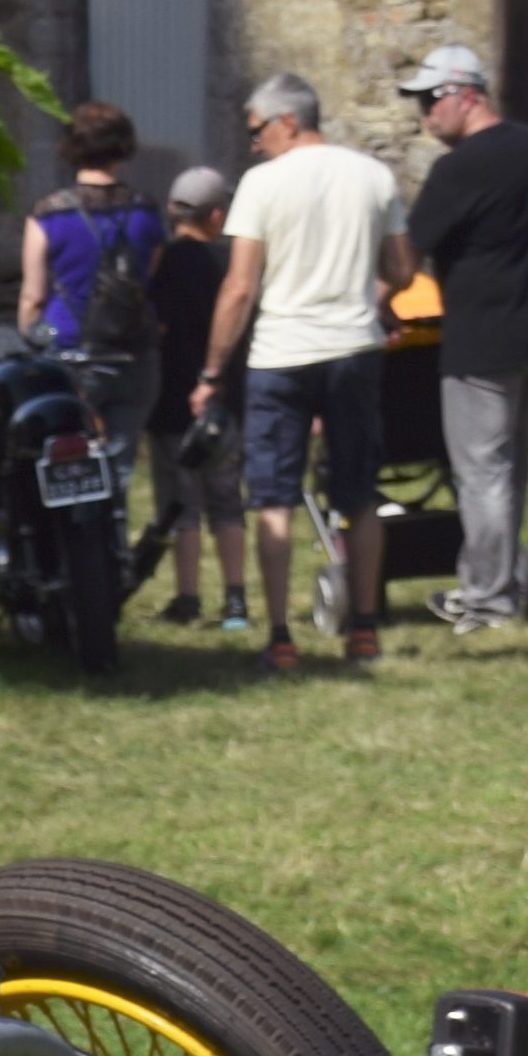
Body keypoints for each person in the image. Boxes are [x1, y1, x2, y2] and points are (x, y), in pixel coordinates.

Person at [198, 72, 412, 675]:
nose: (253, 144)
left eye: (256, 130)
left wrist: (212, 369)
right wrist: (369, 294)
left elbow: (240, 287)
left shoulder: (262, 185)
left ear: (287, 122)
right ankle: (364, 629)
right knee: (360, 493)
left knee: (272, 499)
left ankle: (280, 635)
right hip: (353, 348)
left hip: (281, 354)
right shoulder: (373, 175)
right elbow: (401, 264)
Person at [400, 48, 528, 631]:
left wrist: (376, 306)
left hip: (484, 337)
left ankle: (488, 600)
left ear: (465, 94)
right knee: (511, 472)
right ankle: (512, 585)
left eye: (430, 101)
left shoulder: (459, 169)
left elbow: (407, 253)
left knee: (482, 473)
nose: (424, 116)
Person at [18, 102, 169, 499]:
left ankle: (69, 548)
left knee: (64, 471)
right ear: (124, 148)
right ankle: (112, 550)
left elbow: (33, 297)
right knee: (118, 467)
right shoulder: (147, 213)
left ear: (71, 147)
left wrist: (28, 348)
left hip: (68, 351)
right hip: (133, 352)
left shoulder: (47, 216)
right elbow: (146, 279)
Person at [149, 164, 247, 627]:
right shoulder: (234, 265)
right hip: (227, 401)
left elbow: (155, 327)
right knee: (228, 500)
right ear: (216, 216)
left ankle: (188, 598)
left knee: (182, 504)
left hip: (173, 401)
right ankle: (236, 600)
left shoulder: (165, 264)